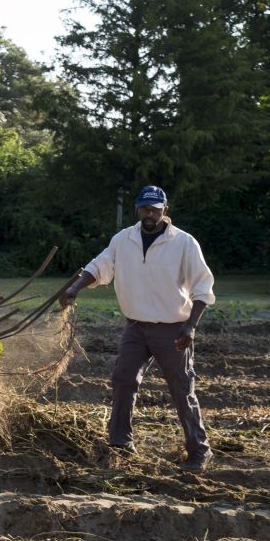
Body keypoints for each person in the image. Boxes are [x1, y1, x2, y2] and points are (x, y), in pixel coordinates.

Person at [60, 185, 216, 472]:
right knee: (123, 379)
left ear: (164, 211)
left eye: (155, 209)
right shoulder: (124, 239)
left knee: (181, 388)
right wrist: (74, 288)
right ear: (137, 209)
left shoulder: (184, 243)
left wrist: (191, 326)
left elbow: (203, 287)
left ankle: (199, 450)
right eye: (145, 208)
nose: (149, 214)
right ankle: (120, 442)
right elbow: (99, 267)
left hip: (173, 329)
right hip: (135, 326)